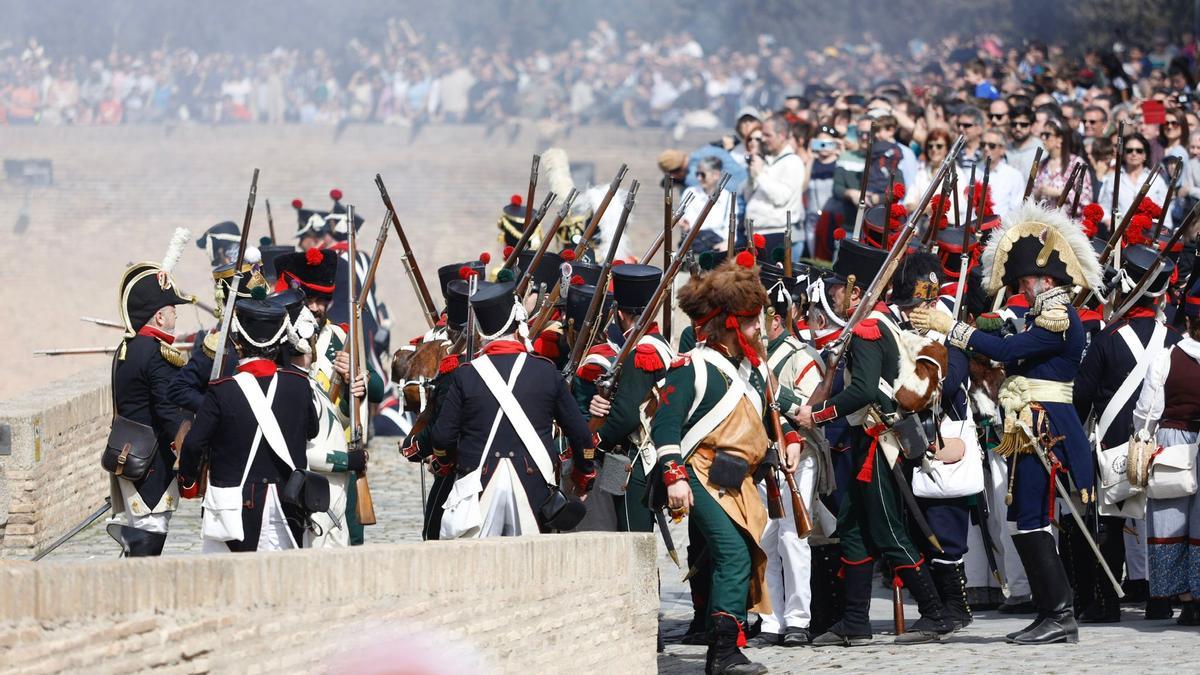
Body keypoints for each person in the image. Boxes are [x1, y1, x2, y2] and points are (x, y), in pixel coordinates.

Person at [911, 200, 1104, 644]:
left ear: (1045, 280)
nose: (1023, 288)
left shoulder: (1057, 316)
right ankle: (1050, 610)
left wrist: (951, 327)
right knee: (1024, 517)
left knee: (1033, 517)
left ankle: (1059, 613)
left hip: (1046, 425)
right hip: (1031, 424)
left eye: (1025, 281)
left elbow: (1006, 352)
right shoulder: (1042, 315)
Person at [796, 237, 954, 647]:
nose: (834, 296)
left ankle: (936, 613)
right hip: (868, 437)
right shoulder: (876, 323)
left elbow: (864, 391)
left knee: (887, 530)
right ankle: (855, 621)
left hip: (878, 440)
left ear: (855, 289)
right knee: (851, 527)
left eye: (839, 288)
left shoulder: (870, 328)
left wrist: (816, 414)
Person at [655, 254, 802, 674]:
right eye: (753, 323)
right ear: (733, 325)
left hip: (734, 478)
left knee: (744, 554)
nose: (761, 330)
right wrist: (673, 477)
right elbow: (665, 424)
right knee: (734, 555)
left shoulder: (752, 370)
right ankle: (722, 654)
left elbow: (768, 414)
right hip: (697, 473)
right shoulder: (693, 367)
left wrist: (789, 439)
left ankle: (728, 646)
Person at [430, 281, 596, 538]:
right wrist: (584, 475)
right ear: (518, 320)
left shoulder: (466, 375)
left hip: (478, 483)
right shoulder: (545, 371)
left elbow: (442, 437)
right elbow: (580, 434)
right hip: (535, 485)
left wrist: (445, 460)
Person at [1074, 246, 1180, 622]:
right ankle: (1160, 598)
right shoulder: (1175, 339)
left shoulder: (1106, 339)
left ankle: (1106, 603)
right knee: (1161, 521)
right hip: (1165, 444)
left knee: (1111, 525)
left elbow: (1082, 397)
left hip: (1115, 443)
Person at [178, 289, 320, 553]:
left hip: (233, 507)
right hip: (288, 504)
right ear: (280, 340)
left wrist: (188, 481)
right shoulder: (299, 385)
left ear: (238, 341)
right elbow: (312, 430)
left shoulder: (222, 390)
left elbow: (194, 444)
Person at [750, 263, 824, 648]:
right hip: (760, 457)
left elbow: (813, 411)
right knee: (765, 541)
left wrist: (779, 393)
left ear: (773, 319)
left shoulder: (800, 356)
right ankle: (769, 619)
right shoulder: (747, 359)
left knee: (793, 539)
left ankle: (797, 619)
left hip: (796, 454)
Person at [106, 255, 195, 556]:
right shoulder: (158, 353)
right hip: (151, 464)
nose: (175, 316)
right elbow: (168, 411)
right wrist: (190, 446)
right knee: (150, 537)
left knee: (140, 538)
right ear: (159, 317)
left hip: (128, 454)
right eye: (171, 311)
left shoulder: (126, 348)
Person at [581, 264, 674, 533]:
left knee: (631, 537)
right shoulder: (655, 344)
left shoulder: (642, 353)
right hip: (629, 458)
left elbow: (626, 416)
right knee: (619, 529)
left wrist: (592, 445)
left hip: (632, 461)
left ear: (620, 313)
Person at [1132, 279, 1200, 625]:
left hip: (1175, 441)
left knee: (1170, 522)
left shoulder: (1167, 358)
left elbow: (1147, 412)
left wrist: (1144, 439)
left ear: (1188, 321)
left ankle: (1186, 601)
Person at [744, 113, 805, 254]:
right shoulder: (769, 161)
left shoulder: (792, 162)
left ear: (782, 135)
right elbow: (748, 197)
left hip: (775, 235)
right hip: (756, 233)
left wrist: (760, 174)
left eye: (768, 135)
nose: (763, 140)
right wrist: (753, 176)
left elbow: (781, 197)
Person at [1097, 133, 1170, 230]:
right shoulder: (1113, 179)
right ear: (1123, 154)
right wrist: (1109, 221)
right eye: (1129, 150)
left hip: (1148, 236)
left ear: (1145, 155)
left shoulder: (1157, 180)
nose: (1134, 153)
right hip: (1119, 235)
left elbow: (1165, 216)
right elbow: (1104, 208)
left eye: (1139, 151)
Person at [680, 156, 734, 252]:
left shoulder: (727, 196)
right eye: (697, 174)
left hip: (717, 247)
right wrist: (684, 226)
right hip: (693, 245)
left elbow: (730, 227)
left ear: (716, 175)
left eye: (703, 174)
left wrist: (725, 244)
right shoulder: (690, 192)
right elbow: (687, 223)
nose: (699, 178)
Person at [1034, 118, 1093, 206]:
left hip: (1067, 219)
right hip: (1043, 218)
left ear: (1060, 139)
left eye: (1047, 135)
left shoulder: (1076, 164)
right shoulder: (1042, 165)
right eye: (1042, 134)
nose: (1043, 138)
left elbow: (1086, 199)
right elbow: (1031, 196)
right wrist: (1038, 193)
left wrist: (1060, 193)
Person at [1007, 105, 1045, 181]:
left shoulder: (1042, 151)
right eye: (1014, 124)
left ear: (1032, 126)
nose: (1018, 128)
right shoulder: (1004, 149)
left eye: (1023, 125)